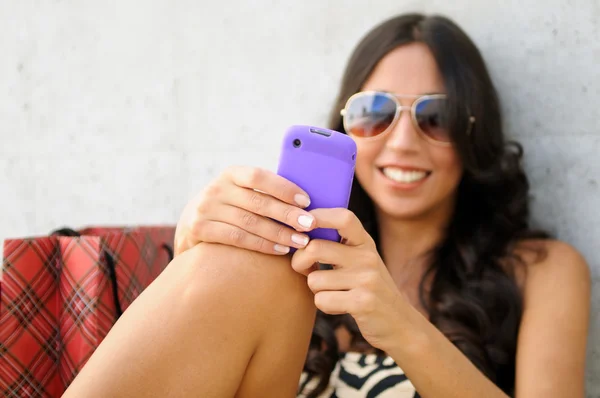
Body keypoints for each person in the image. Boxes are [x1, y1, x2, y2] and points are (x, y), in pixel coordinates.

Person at [63, 13, 591, 398]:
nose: (403, 142)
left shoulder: (543, 270)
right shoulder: (294, 264)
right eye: (375, 111)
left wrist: (398, 324)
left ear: (477, 131)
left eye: (437, 117)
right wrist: (195, 256)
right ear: (344, 127)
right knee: (240, 261)